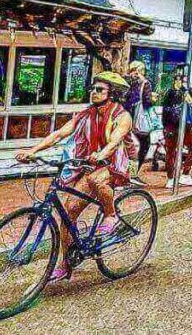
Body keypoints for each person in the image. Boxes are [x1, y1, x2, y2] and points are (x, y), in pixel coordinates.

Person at [16, 71, 133, 282]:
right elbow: (60, 134)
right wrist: (33, 151)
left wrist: (101, 154)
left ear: (112, 93)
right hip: (89, 165)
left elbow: (115, 141)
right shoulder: (86, 114)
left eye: (99, 90)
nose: (94, 93)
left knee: (97, 180)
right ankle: (65, 264)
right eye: (93, 89)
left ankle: (111, 214)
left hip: (113, 164)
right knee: (67, 214)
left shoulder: (122, 115)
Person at [163, 72, 192, 188]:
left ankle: (170, 178)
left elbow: (165, 111)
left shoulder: (168, 92)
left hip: (170, 126)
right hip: (183, 125)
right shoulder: (185, 92)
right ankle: (185, 174)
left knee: (170, 152)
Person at [123, 60, 156, 179]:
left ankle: (125, 171)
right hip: (138, 120)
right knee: (144, 146)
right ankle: (133, 174)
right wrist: (153, 99)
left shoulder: (126, 81)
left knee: (127, 145)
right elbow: (147, 102)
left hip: (125, 117)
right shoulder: (144, 83)